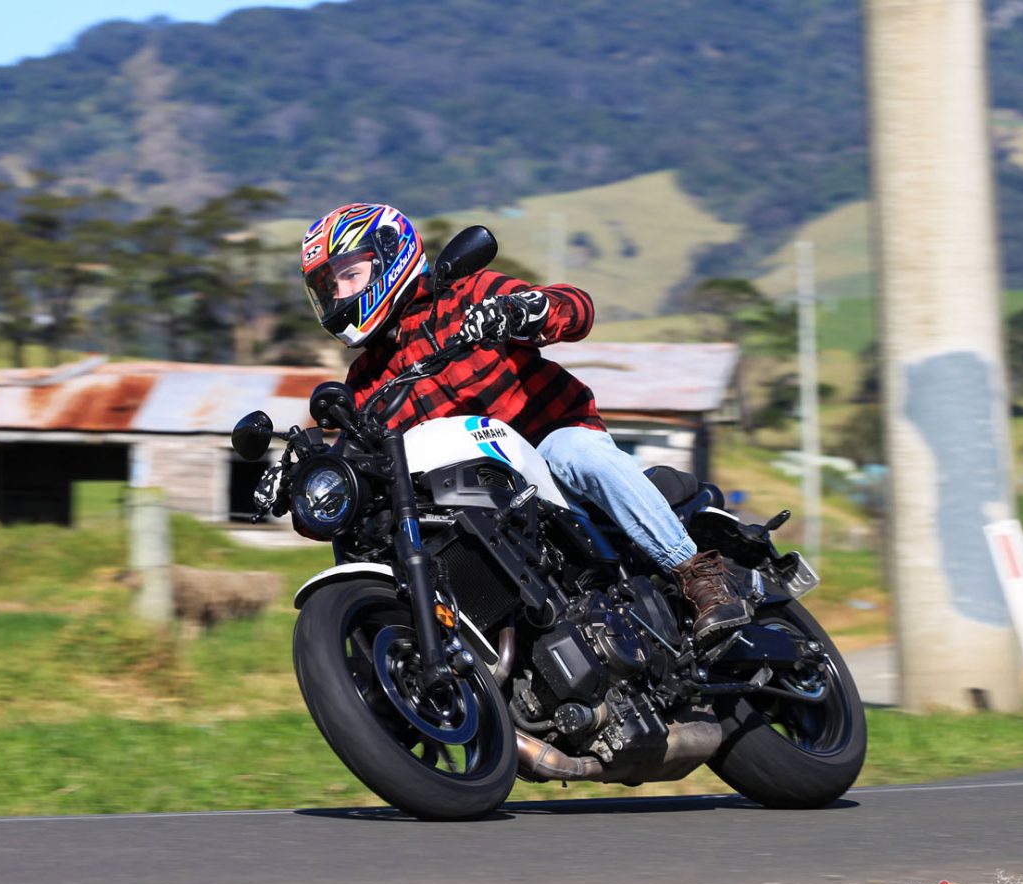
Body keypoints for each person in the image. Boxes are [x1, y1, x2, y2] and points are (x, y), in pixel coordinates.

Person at [300, 202, 748, 640]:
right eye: (329, 287)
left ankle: (697, 574)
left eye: (349, 276)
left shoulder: (466, 294)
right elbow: (365, 456)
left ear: (389, 256)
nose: (339, 296)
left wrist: (519, 312)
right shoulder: (365, 380)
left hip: (545, 445)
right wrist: (311, 478)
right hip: (472, 492)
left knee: (578, 454)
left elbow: (576, 308)